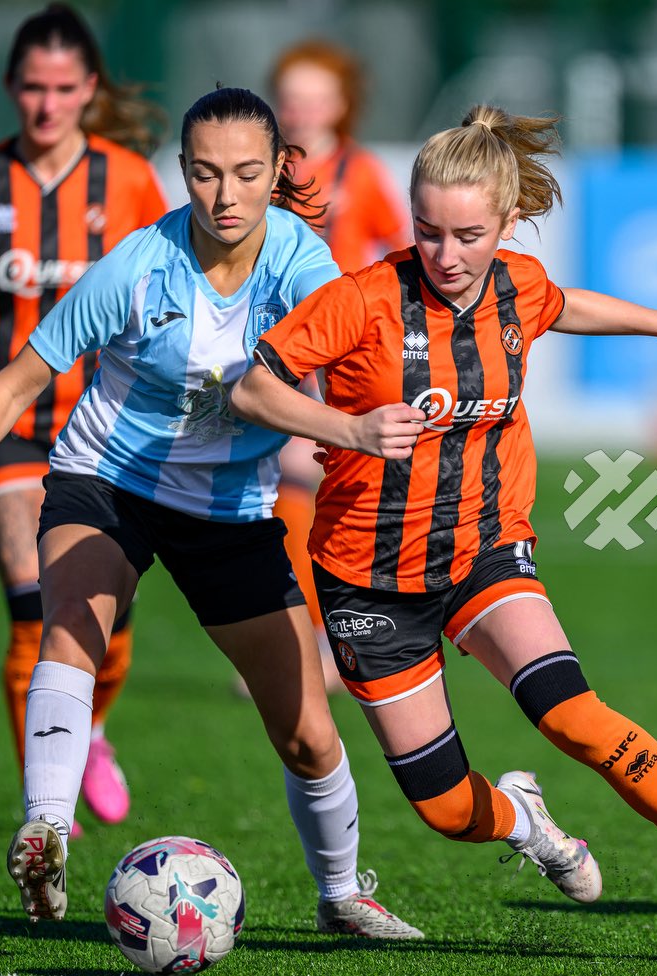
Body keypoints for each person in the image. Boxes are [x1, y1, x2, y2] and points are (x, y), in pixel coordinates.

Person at [230, 104, 657, 919]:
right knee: (445, 810)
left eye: (469, 236)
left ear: (507, 222)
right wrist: (349, 427)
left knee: (572, 715)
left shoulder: (518, 284)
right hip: (367, 579)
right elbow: (251, 385)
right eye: (429, 231)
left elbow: (564, 303)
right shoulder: (361, 300)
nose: (446, 254)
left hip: (485, 549)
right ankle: (529, 824)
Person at [0, 85, 422, 939]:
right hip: (108, 479)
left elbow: (359, 372)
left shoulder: (305, 268)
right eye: (207, 174)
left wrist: (367, 433)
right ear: (181, 172)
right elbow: (17, 381)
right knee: (69, 616)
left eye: (248, 174)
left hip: (230, 509)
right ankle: (46, 828)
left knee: (308, 738)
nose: (225, 196)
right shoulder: (138, 266)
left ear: (279, 171)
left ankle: (340, 893)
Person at [0, 3, 168, 835]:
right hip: (2, 421)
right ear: (11, 86)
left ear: (90, 90)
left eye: (63, 89)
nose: (46, 106)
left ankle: (90, 728)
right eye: (32, 88)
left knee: (105, 620)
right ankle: (46, 811)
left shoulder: (125, 181)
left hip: (105, 426)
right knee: (34, 602)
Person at [255, 40, 412, 695]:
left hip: (342, 356)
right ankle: (302, 647)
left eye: (315, 96)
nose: (300, 108)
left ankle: (338, 643)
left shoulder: (361, 172)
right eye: (290, 95)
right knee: (285, 492)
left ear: (340, 105)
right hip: (276, 348)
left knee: (337, 493)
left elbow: (401, 255)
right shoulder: (257, 171)